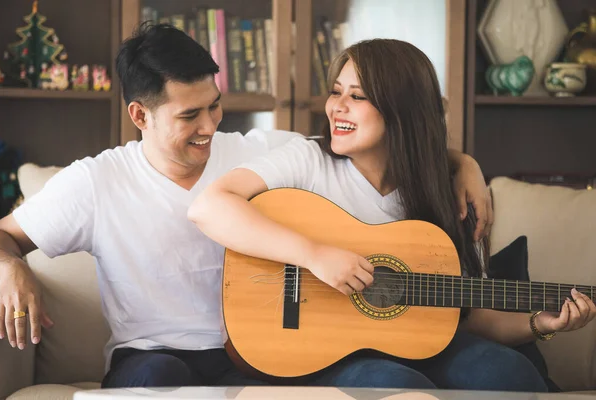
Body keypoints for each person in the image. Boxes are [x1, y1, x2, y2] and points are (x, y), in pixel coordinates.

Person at [0, 24, 492, 389]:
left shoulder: (255, 150)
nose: (210, 127)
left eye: (215, 106)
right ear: (139, 115)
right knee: (158, 377)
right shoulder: (94, 181)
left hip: (256, 352)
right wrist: (11, 266)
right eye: (190, 115)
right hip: (151, 353)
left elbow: (365, 137)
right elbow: (3, 235)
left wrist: (461, 162)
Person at [189, 38, 596, 392]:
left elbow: (465, 316)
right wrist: (313, 255)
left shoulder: (444, 189)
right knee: (397, 387)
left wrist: (540, 325)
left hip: (422, 343)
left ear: (403, 111)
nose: (336, 107)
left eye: (357, 96)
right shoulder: (308, 160)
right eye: (336, 92)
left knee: (511, 376)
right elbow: (209, 206)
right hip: (322, 349)